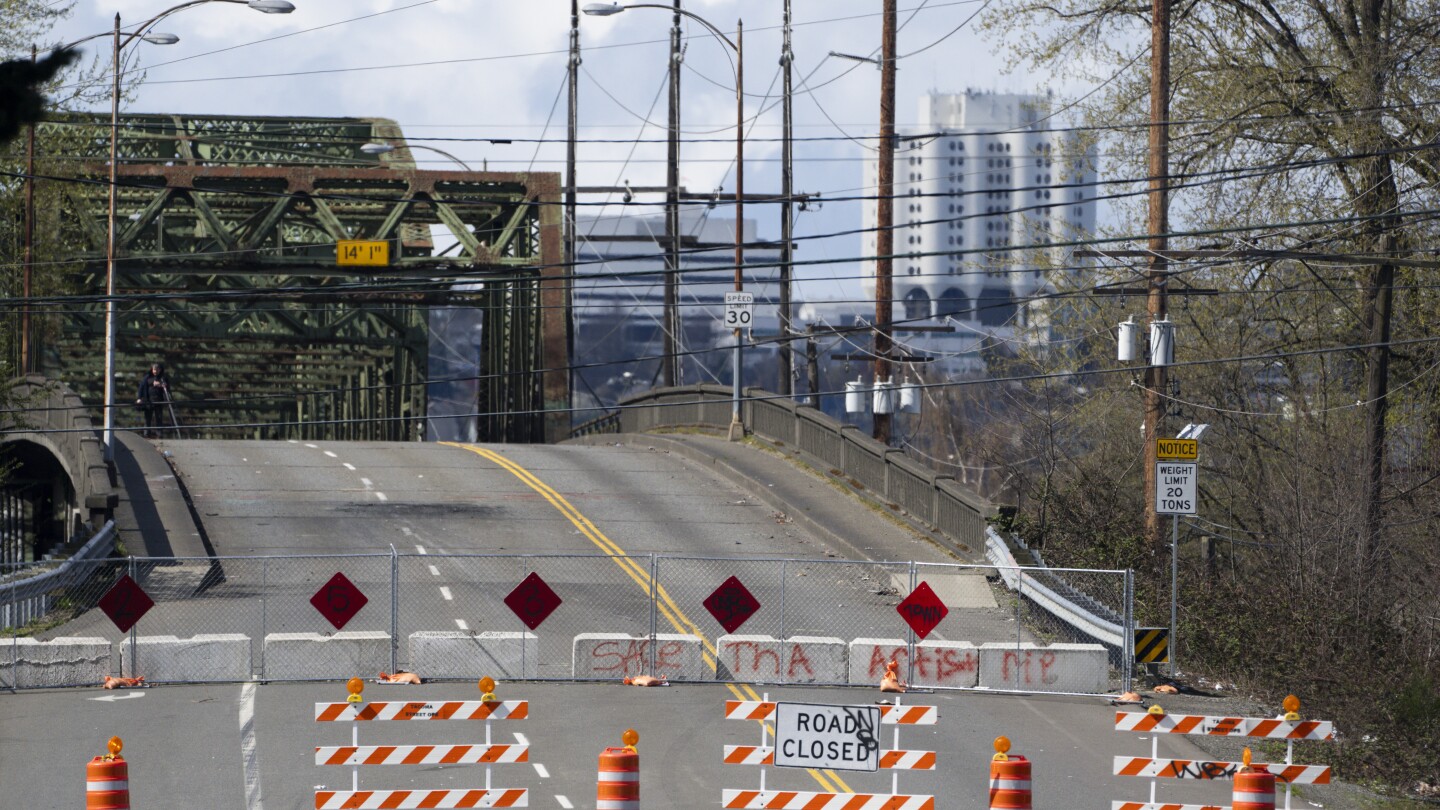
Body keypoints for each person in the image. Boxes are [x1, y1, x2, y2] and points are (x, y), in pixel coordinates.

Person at [136, 362, 172, 438]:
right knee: (148, 418)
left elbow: (167, 387)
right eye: (154, 369)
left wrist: (161, 385)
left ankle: (159, 434)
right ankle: (147, 434)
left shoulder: (163, 378)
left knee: (159, 418)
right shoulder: (147, 377)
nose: (155, 371)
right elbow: (141, 387)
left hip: (159, 401)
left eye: (157, 369)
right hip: (148, 401)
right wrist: (139, 398)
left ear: (160, 370)